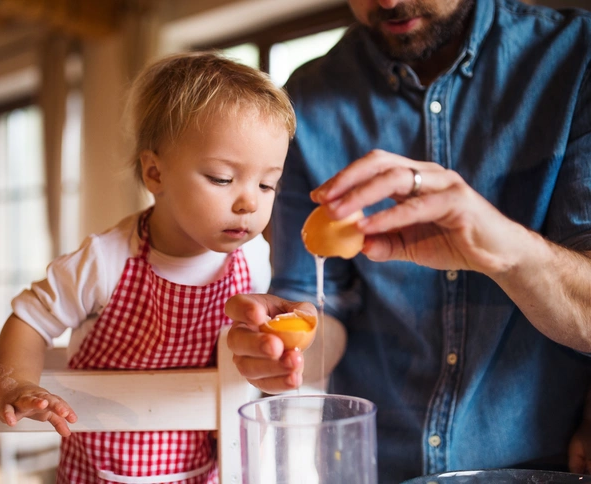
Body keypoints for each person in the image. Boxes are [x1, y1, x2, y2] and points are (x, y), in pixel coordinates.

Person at [225, 0, 591, 481]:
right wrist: (284, 347)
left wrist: (504, 249)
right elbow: (319, 302)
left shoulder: (575, 57)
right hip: (372, 466)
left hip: (543, 467)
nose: (388, 1)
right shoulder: (309, 99)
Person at [0, 51, 296, 484]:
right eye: (222, 178)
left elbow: (253, 368)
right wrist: (18, 384)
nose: (249, 201)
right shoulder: (106, 260)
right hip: (97, 471)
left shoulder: (251, 269)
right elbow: (29, 319)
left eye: (267, 184)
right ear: (155, 173)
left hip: (202, 469)